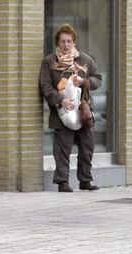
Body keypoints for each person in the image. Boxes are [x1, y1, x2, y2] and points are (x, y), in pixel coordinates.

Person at [39, 24, 102, 192]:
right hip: (62, 112)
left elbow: (97, 79)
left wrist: (83, 82)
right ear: (57, 43)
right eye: (62, 42)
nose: (65, 45)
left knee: (87, 147)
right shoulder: (50, 62)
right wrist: (60, 100)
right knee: (62, 149)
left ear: (74, 42)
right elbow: (45, 86)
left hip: (83, 111)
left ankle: (85, 180)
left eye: (69, 41)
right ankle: (62, 182)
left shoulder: (85, 60)